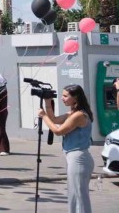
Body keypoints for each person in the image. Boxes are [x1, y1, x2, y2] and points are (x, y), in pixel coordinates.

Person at [38, 84, 94, 213]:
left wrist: (43, 116)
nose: (62, 98)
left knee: (80, 196)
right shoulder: (73, 113)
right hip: (74, 157)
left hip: (79, 158)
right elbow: (55, 119)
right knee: (74, 194)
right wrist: (47, 102)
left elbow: (58, 131)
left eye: (65, 96)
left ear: (76, 98)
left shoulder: (79, 115)